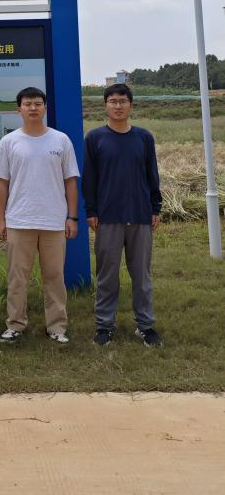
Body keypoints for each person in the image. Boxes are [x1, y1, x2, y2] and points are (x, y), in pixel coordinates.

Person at [0, 87, 79, 344]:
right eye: (28, 104)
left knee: (54, 277)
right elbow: (2, 184)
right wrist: (0, 219)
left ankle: (57, 327)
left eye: (38, 103)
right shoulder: (9, 142)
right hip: (19, 220)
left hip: (54, 220)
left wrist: (72, 217)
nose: (33, 108)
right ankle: (15, 324)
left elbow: (70, 181)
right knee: (18, 278)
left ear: (45, 108)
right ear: (19, 109)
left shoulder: (61, 140)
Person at [82, 84, 163, 348]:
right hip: (108, 216)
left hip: (140, 215)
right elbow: (90, 179)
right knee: (107, 276)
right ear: (105, 105)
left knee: (142, 276)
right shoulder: (95, 138)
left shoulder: (144, 138)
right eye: (113, 101)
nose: (118, 106)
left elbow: (152, 175)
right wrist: (91, 211)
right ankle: (104, 326)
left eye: (123, 101)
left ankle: (145, 326)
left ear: (131, 105)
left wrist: (155, 207)